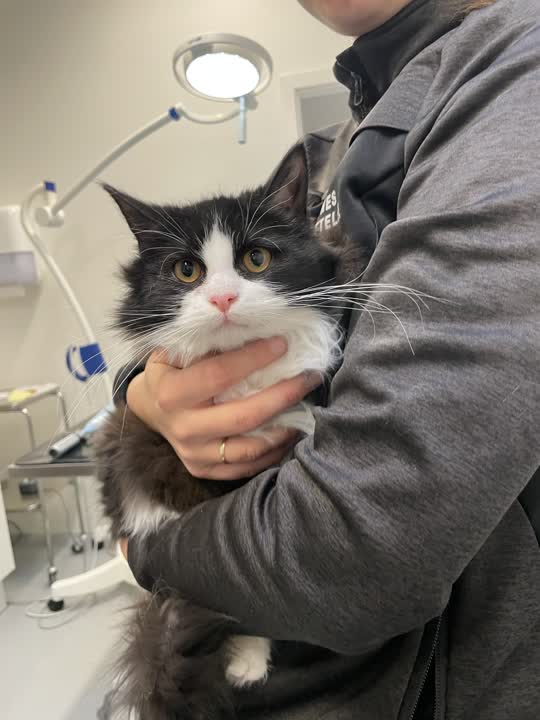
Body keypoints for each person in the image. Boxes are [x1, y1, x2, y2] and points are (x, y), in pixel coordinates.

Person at [117, 0, 540, 717]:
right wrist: (142, 389)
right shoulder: (346, 133)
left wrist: (148, 550)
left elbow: (364, 557)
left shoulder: (512, 73)